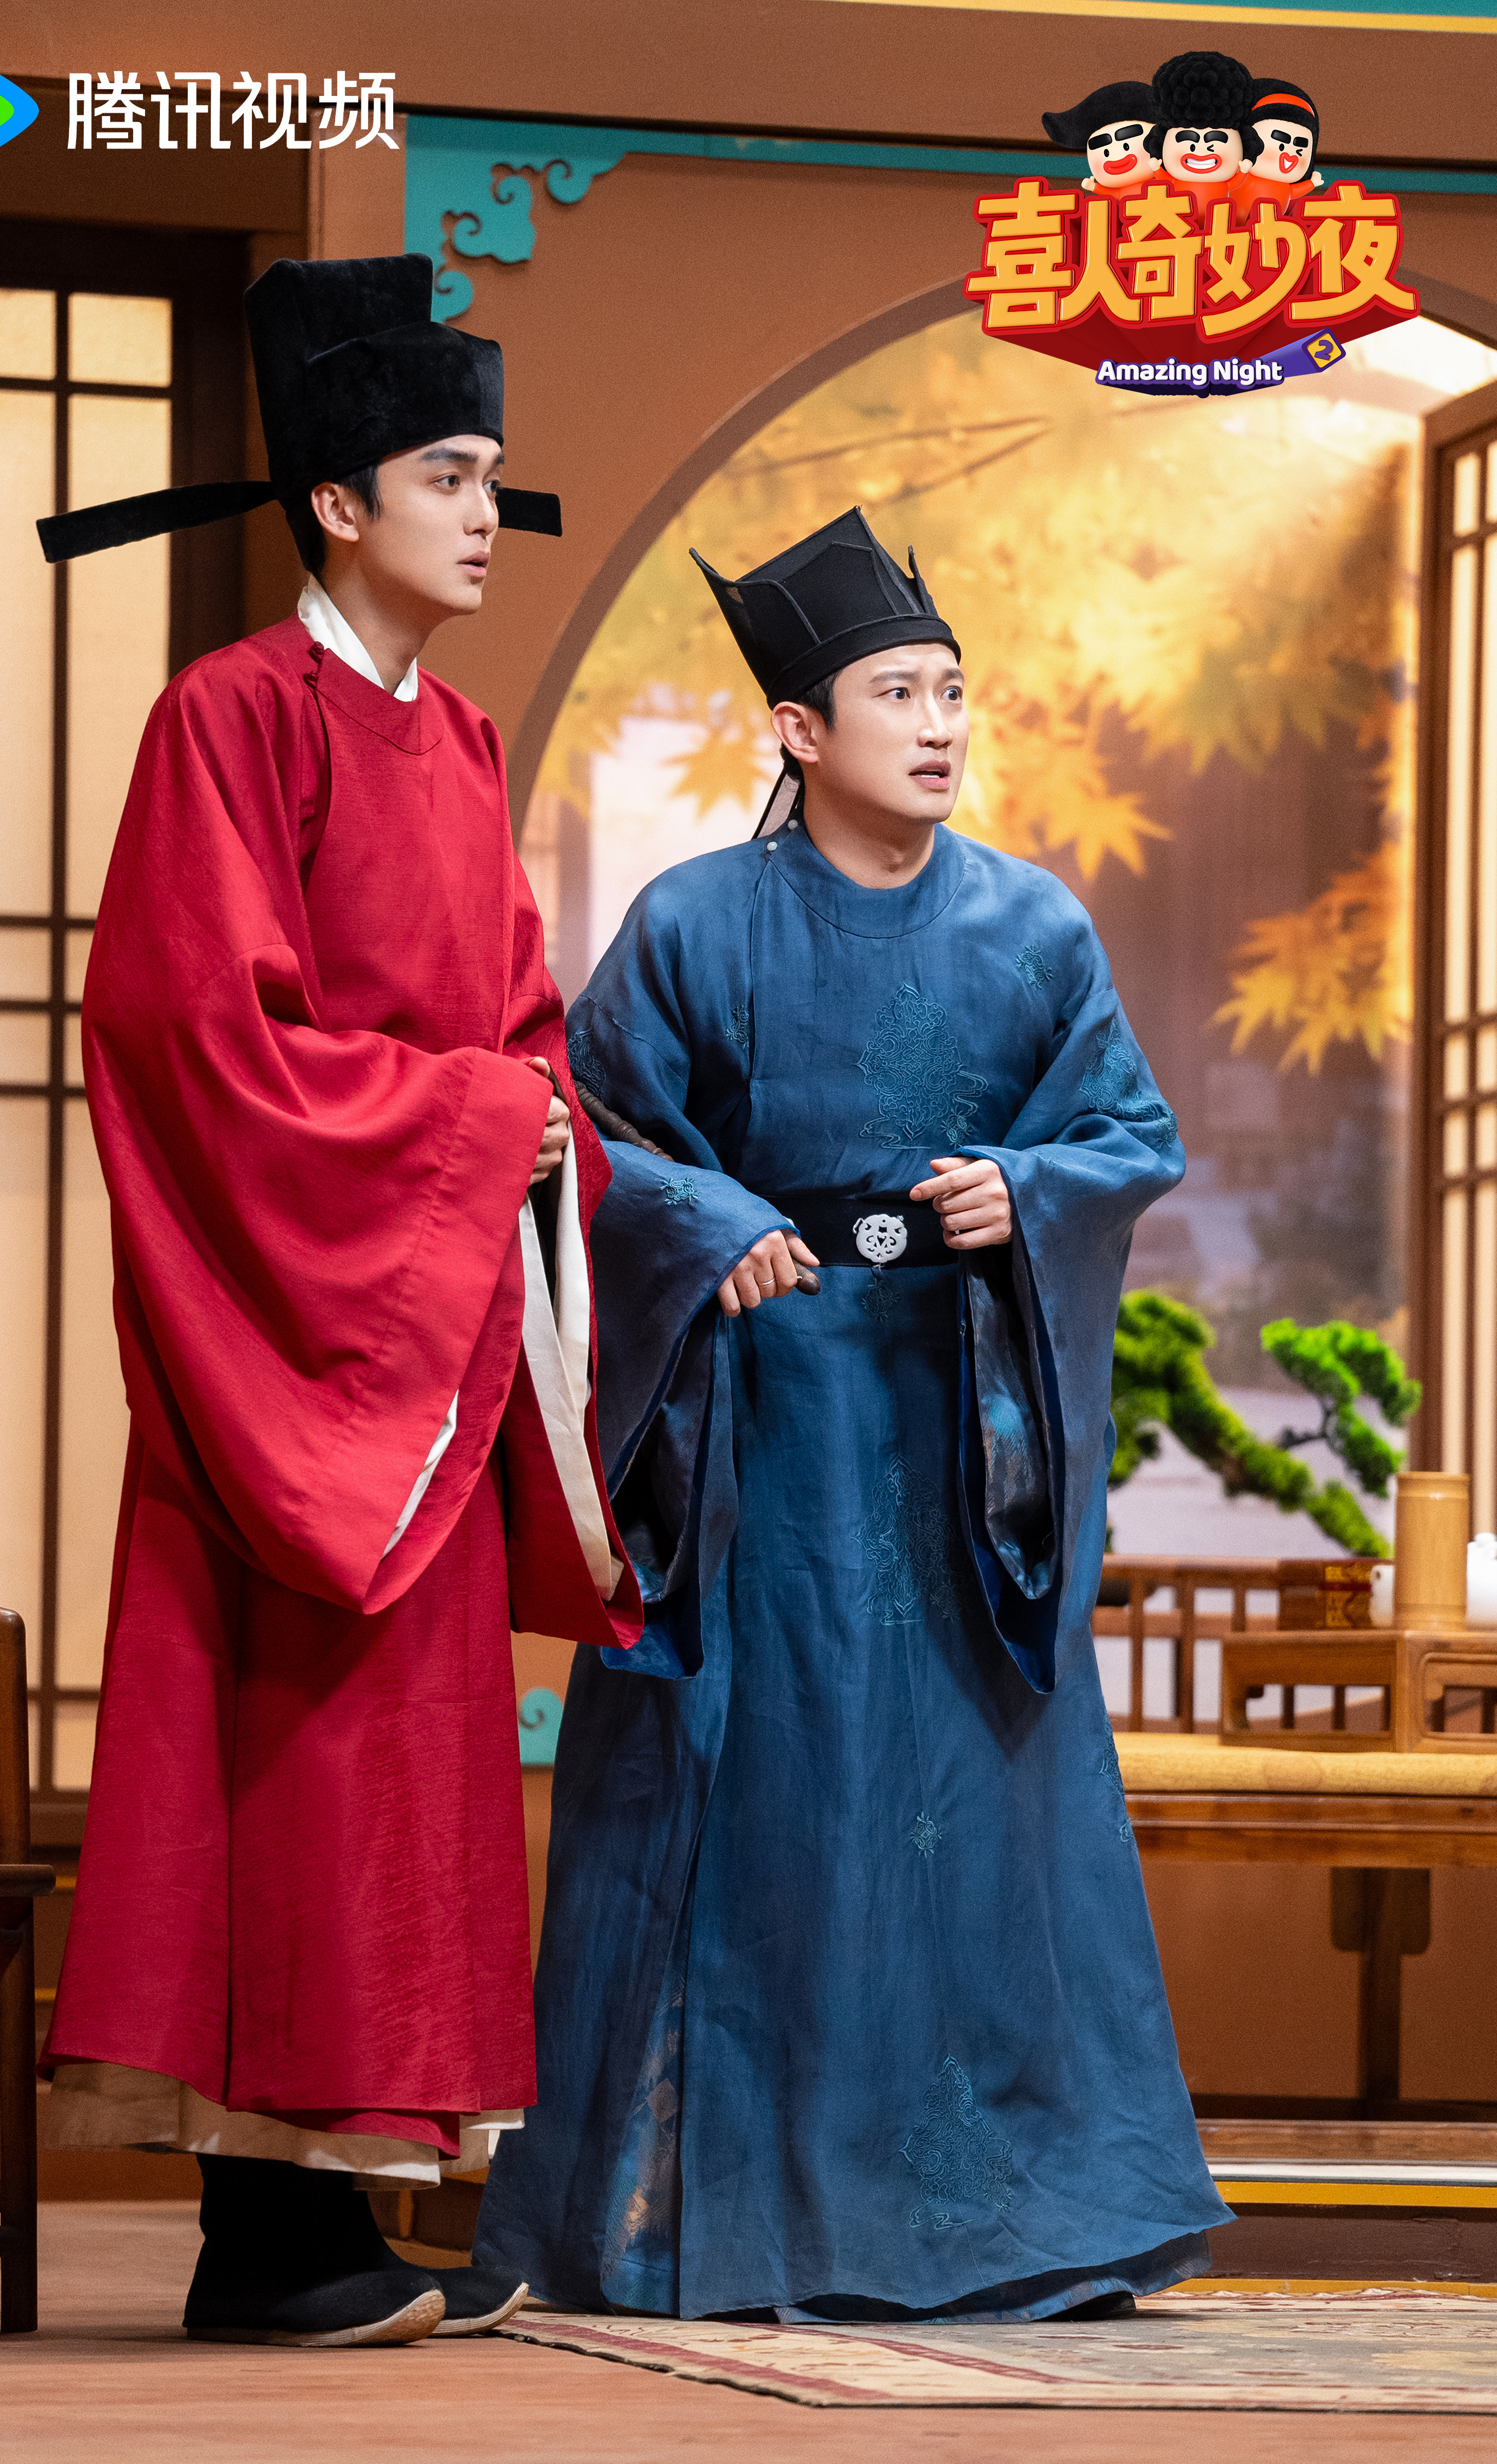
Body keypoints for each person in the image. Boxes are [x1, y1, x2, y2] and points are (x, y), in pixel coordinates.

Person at [475, 506, 1229, 2322]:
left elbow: (1128, 1137)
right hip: (757, 1425)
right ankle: (692, 2222)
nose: (941, 723)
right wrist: (705, 1219)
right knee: (759, 1806)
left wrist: (1023, 1189)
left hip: (957, 1441)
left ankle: (996, 2229)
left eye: (953, 691)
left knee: (966, 1821)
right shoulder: (696, 921)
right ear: (801, 730)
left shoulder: (1034, 925)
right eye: (899, 692)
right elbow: (589, 1129)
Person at [34, 253, 640, 2347]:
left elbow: (518, 1025)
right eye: (445, 476)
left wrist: (534, 1127)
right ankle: (260, 2238)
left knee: (402, 1781)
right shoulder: (227, 717)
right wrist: (473, 1128)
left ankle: (330, 2216)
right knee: (276, 1763)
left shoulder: (458, 739)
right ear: (336, 502)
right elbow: (194, 1033)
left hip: (423, 1328)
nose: (482, 513)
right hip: (287, 1343)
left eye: (489, 475)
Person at [1150, 50, 1256, 204]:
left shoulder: (1226, 182)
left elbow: (1235, 183)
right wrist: (1156, 168)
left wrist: (1244, 170)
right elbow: (1164, 178)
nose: (1201, 149)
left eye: (1214, 140)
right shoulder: (1174, 179)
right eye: (1189, 140)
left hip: (1220, 216)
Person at [1041, 79, 1160, 197]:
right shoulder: (1120, 192)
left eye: (1126, 147)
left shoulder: (1163, 181)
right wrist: (1093, 187)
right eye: (1106, 153)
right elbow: (1114, 195)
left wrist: (1157, 169)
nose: (1117, 158)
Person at [1232, 80, 1323, 210]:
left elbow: (1294, 192)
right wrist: (1243, 171)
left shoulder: (1286, 188)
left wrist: (1312, 183)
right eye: (1281, 147)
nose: (1290, 155)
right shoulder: (1244, 180)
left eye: (1299, 151)